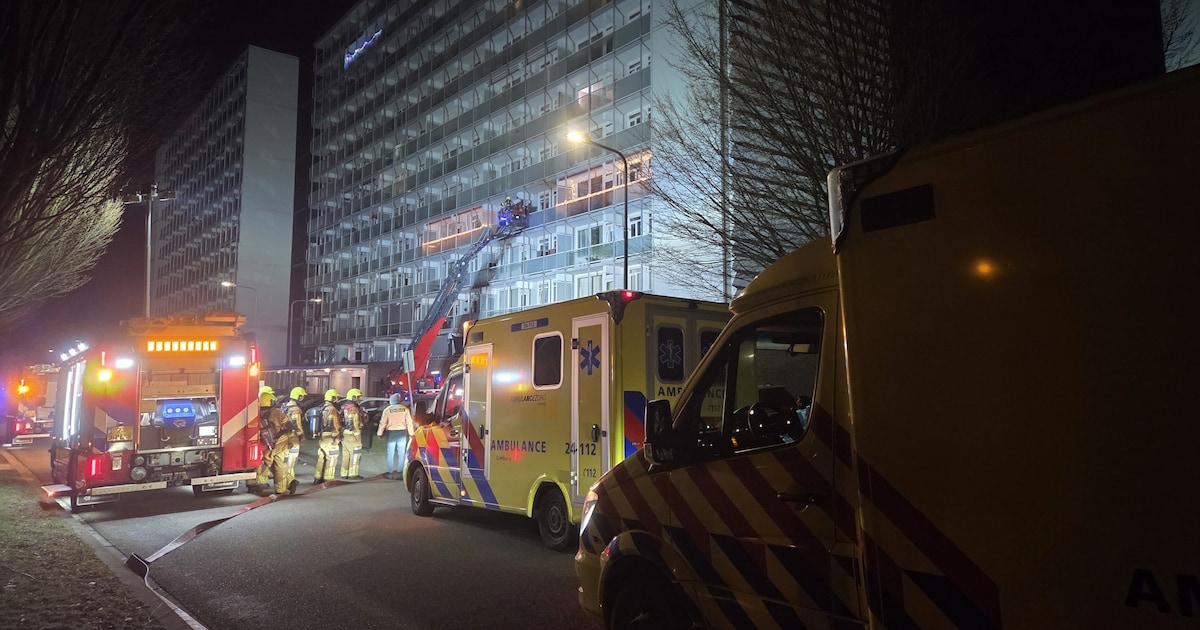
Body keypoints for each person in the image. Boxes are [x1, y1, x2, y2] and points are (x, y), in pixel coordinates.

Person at [256, 389, 299, 496]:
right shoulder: (277, 413)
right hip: (281, 442)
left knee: (268, 464)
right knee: (281, 465)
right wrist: (293, 440)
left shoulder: (257, 414)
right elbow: (289, 427)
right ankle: (281, 489)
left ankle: (259, 483)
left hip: (267, 444)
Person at [377, 393, 415, 480]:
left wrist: (379, 434)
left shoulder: (387, 410)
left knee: (390, 453)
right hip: (402, 433)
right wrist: (411, 434)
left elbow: (383, 423)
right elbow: (409, 422)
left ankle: (390, 472)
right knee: (401, 453)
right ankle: (401, 472)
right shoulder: (405, 409)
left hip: (391, 434)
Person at [277, 387, 308, 481]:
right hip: (293, 436)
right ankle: (289, 477)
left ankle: (283, 475)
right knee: (292, 456)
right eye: (302, 396)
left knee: (285, 456)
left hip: (284, 436)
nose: (303, 398)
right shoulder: (295, 409)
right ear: (298, 396)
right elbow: (296, 423)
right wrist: (301, 434)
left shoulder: (285, 406)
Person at [314, 389, 343, 484]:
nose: (337, 399)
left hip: (323, 435)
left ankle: (317, 477)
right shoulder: (332, 410)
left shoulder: (322, 407)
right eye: (336, 397)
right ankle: (328, 478)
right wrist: (336, 436)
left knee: (322, 457)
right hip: (330, 436)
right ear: (333, 398)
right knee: (332, 456)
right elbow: (332, 423)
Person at [338, 388, 366, 480]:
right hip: (352, 434)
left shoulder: (344, 406)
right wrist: (357, 433)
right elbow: (351, 422)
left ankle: (344, 473)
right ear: (353, 397)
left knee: (346, 454)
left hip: (345, 433)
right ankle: (353, 473)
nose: (358, 399)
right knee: (355, 453)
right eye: (357, 397)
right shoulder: (353, 408)